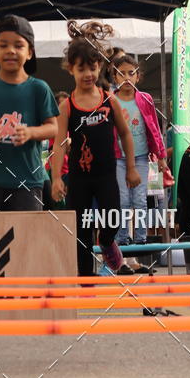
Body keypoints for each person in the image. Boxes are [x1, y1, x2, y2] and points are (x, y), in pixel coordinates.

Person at [51, 21, 140, 277]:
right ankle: (85, 279)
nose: (88, 74)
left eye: (92, 67)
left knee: (113, 220)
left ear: (100, 66)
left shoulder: (109, 99)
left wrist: (131, 168)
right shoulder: (67, 106)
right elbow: (59, 143)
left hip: (106, 175)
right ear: (71, 69)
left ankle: (107, 241)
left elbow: (125, 133)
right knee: (81, 230)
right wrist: (56, 178)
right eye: (81, 69)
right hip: (79, 177)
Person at [0, 14, 58, 211]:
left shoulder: (39, 88)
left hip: (28, 181)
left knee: (26, 232)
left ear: (30, 52)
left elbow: (53, 128)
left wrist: (30, 132)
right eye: (3, 45)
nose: (10, 51)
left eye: (18, 45)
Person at [112, 53, 168, 247]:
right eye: (122, 73)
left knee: (140, 199)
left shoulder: (145, 99)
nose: (127, 77)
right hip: (118, 158)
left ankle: (141, 238)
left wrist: (161, 156)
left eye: (131, 73)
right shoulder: (111, 100)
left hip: (142, 157)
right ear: (114, 77)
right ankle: (122, 238)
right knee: (122, 200)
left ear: (138, 76)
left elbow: (155, 129)